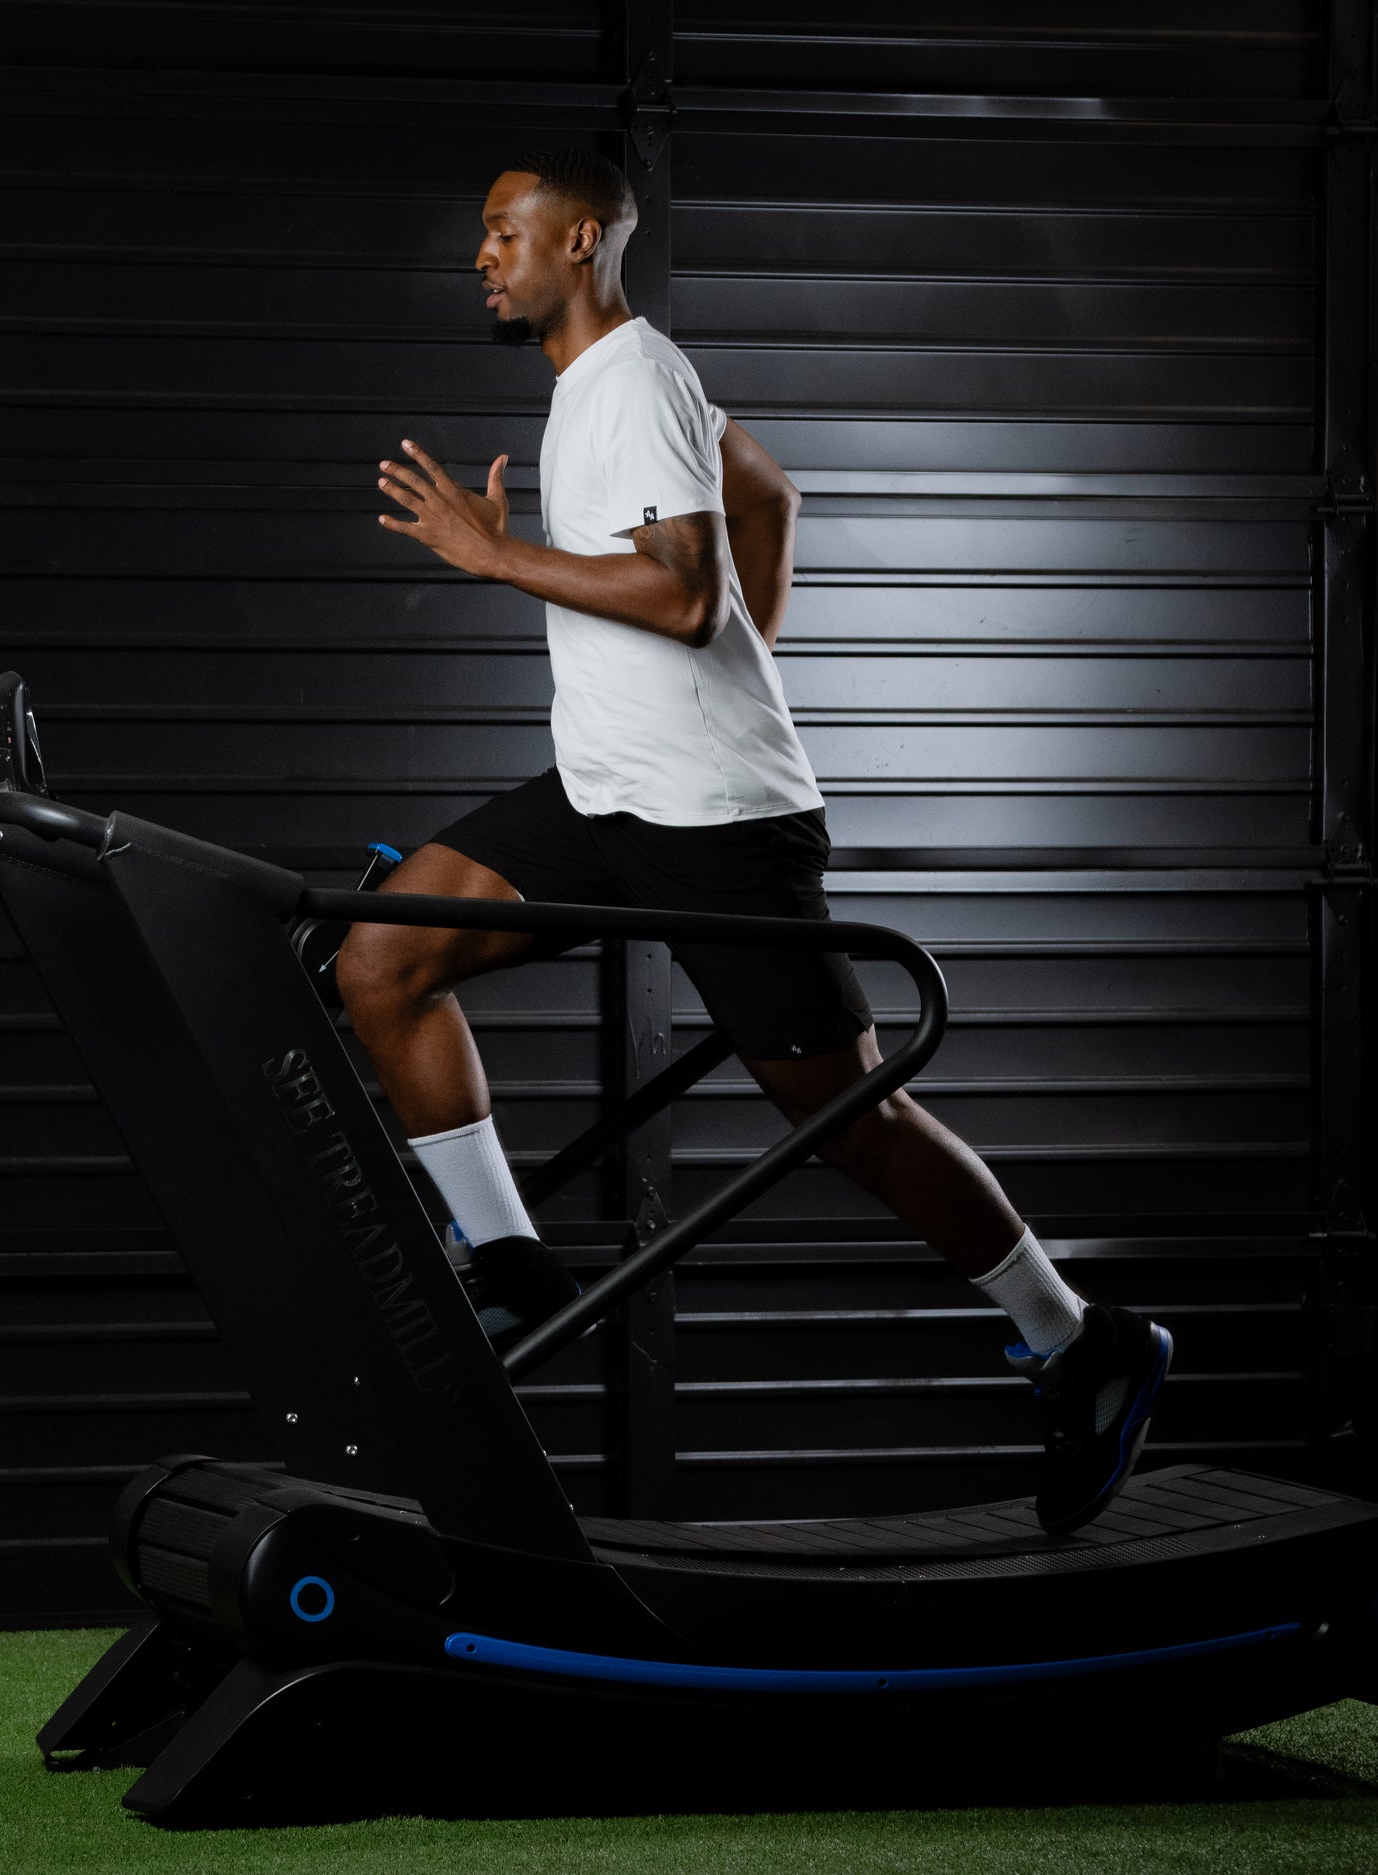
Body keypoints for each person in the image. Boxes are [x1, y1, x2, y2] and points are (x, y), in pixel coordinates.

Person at [336, 148, 1171, 1535]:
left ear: (581, 240)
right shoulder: (611, 385)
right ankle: (506, 1261)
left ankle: (1081, 1337)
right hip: (611, 788)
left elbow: (676, 596)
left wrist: (499, 562)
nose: (482, 255)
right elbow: (769, 497)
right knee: (384, 959)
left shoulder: (636, 378)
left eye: (504, 234)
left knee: (849, 1118)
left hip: (719, 820)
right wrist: (743, 656)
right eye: (482, 236)